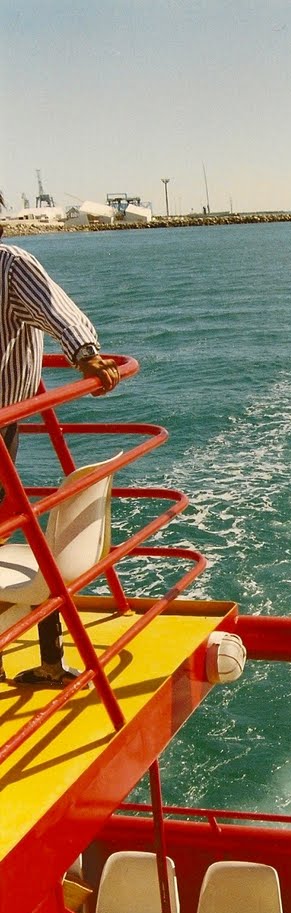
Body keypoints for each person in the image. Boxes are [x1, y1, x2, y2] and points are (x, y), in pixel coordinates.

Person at [0, 192, 120, 685]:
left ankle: (44, 657)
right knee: (15, 524)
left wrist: (84, 352)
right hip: (6, 415)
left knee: (12, 523)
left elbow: (55, 307)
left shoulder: (9, 264)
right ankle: (48, 658)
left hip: (4, 420)